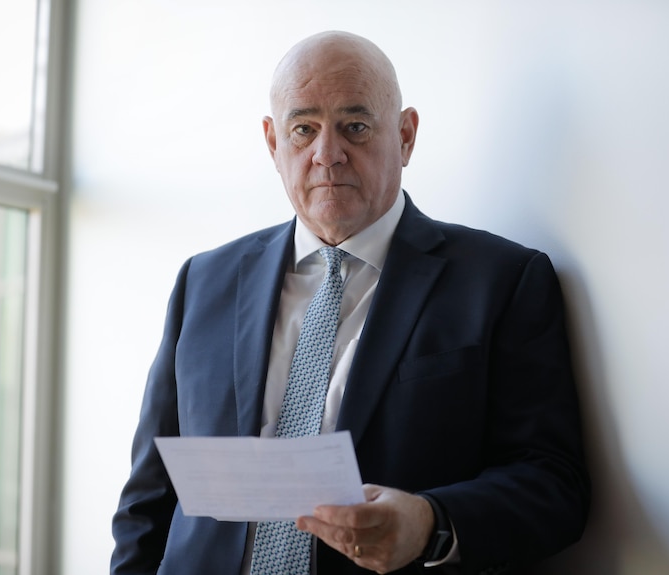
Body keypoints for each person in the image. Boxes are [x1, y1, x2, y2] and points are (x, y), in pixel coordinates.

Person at [111, 30, 589, 575]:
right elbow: (148, 498)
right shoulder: (205, 281)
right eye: (303, 129)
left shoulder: (502, 280)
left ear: (406, 136)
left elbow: (555, 483)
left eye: (355, 127)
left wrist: (431, 522)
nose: (327, 155)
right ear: (273, 142)